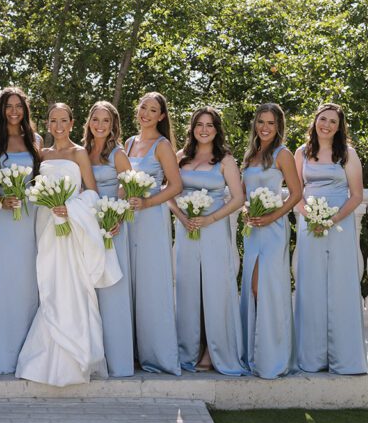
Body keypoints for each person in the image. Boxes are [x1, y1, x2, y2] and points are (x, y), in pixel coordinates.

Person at [16, 102, 120, 386]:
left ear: (73, 123)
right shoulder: (41, 153)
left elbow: (92, 193)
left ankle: (77, 354)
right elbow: (34, 189)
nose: (58, 126)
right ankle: (45, 353)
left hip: (72, 227)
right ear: (47, 124)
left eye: (64, 120)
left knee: (73, 284)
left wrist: (69, 209)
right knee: (49, 282)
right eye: (53, 121)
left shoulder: (79, 153)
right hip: (46, 225)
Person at [294, 103, 367, 374]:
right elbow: (294, 193)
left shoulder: (347, 154)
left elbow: (356, 195)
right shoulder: (301, 153)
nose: (326, 125)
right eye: (323, 119)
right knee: (310, 285)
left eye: (332, 122)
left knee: (340, 285)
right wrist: (310, 217)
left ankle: (344, 359)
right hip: (309, 225)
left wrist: (331, 219)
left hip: (340, 226)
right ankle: (311, 358)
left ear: (339, 127)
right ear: (315, 121)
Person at [172, 106, 246, 375]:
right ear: (192, 128)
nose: (204, 130)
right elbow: (168, 191)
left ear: (217, 130)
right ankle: (187, 349)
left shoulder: (225, 160)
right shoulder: (180, 157)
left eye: (210, 125)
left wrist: (211, 219)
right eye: (199, 124)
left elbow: (238, 198)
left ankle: (213, 350)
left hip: (213, 229)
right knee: (188, 288)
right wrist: (181, 216)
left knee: (215, 288)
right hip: (186, 229)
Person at [0, 87, 41, 374]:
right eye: (9, 106)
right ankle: (1, 352)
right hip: (4, 219)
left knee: (30, 281)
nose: (14, 111)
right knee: (4, 282)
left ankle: (29, 352)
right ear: (2, 110)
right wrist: (1, 200)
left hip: (31, 218)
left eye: (19, 106)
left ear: (25, 110)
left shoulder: (35, 140)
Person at [240, 103, 300, 378]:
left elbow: (296, 194)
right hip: (253, 230)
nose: (265, 128)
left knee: (267, 289)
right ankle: (256, 353)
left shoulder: (282, 154)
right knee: (253, 290)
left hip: (273, 230)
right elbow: (243, 195)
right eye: (261, 122)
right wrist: (245, 212)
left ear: (278, 127)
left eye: (271, 123)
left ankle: (273, 358)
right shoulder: (252, 154)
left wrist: (271, 216)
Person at [124, 92, 182, 375]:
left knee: (150, 282)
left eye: (153, 110)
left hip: (152, 218)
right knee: (131, 281)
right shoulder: (129, 143)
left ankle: (156, 353)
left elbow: (175, 186)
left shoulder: (162, 145)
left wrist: (146, 202)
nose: (146, 113)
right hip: (128, 219)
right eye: (143, 107)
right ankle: (132, 350)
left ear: (161, 116)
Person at [83, 100, 134, 377]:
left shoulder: (118, 154)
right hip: (87, 227)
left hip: (112, 226)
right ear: (89, 122)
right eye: (95, 119)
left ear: (113, 125)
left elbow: (128, 188)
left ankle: (118, 360)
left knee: (112, 289)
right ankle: (92, 355)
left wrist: (117, 218)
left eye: (105, 121)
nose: (100, 125)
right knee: (90, 290)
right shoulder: (83, 152)